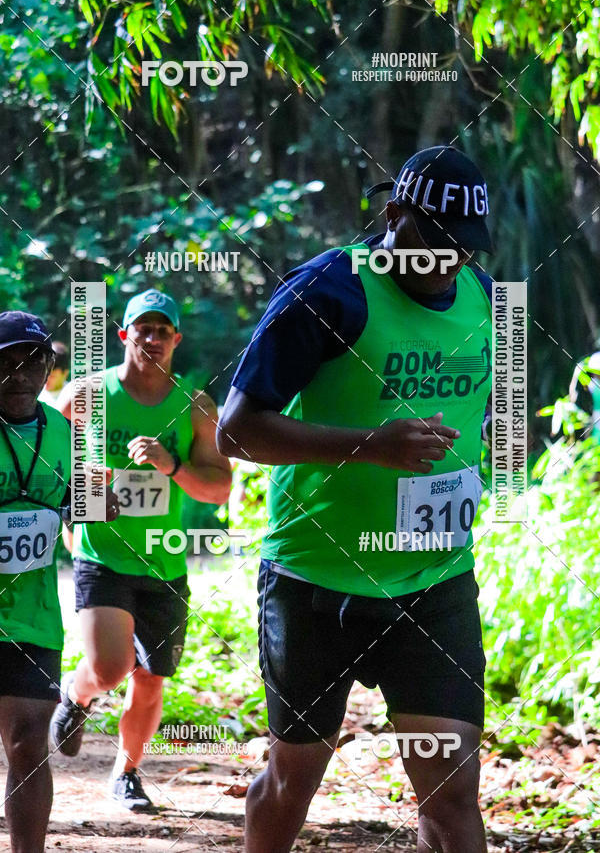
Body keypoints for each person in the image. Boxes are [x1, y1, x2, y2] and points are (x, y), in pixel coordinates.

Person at [217, 146, 495, 853]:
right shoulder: (328, 293)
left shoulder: (487, 298)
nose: (448, 262)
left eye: (464, 248)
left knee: (452, 790)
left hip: (434, 584)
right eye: (436, 243)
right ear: (394, 215)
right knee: (294, 780)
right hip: (317, 585)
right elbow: (237, 431)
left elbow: (495, 411)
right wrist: (371, 444)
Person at [50, 289, 232, 811]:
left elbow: (219, 488)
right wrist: (78, 492)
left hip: (164, 561)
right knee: (110, 669)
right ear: (124, 334)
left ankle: (126, 773)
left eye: (162, 331)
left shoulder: (194, 406)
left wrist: (170, 465)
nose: (151, 339)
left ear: (177, 339)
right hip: (102, 555)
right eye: (142, 329)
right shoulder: (88, 393)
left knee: (151, 679)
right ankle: (77, 694)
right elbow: (44, 452)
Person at [0, 311, 118, 853]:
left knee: (27, 746)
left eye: (32, 361)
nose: (19, 373)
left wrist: (99, 506)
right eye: (6, 361)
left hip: (35, 617)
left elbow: (82, 508)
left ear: (48, 367)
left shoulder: (65, 435)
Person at [38, 340, 69, 408]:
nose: (46, 379)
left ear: (65, 373)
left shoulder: (72, 395)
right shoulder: (35, 394)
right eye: (45, 375)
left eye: (52, 376)